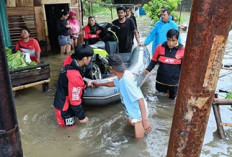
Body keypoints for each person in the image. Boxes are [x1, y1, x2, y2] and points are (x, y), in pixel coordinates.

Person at [92, 54, 152, 138]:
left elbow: (140, 99)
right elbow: (113, 83)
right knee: (127, 130)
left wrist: (144, 121)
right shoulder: (122, 75)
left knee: (139, 143)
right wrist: (99, 84)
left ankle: (143, 124)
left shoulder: (127, 81)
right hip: (131, 112)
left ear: (111, 68)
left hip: (138, 116)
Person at [53, 44, 93, 127]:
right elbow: (75, 100)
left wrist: (85, 84)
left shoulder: (69, 61)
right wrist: (82, 117)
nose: (90, 60)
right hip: (64, 108)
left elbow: (70, 84)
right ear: (85, 59)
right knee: (69, 131)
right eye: (90, 58)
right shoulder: (74, 75)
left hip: (62, 99)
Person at [144, 29, 185, 100]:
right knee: (159, 99)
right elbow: (154, 61)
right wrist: (148, 69)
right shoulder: (159, 48)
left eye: (173, 40)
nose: (170, 43)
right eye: (169, 40)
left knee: (171, 101)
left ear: (177, 40)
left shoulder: (182, 50)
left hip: (174, 83)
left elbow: (184, 68)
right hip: (160, 81)